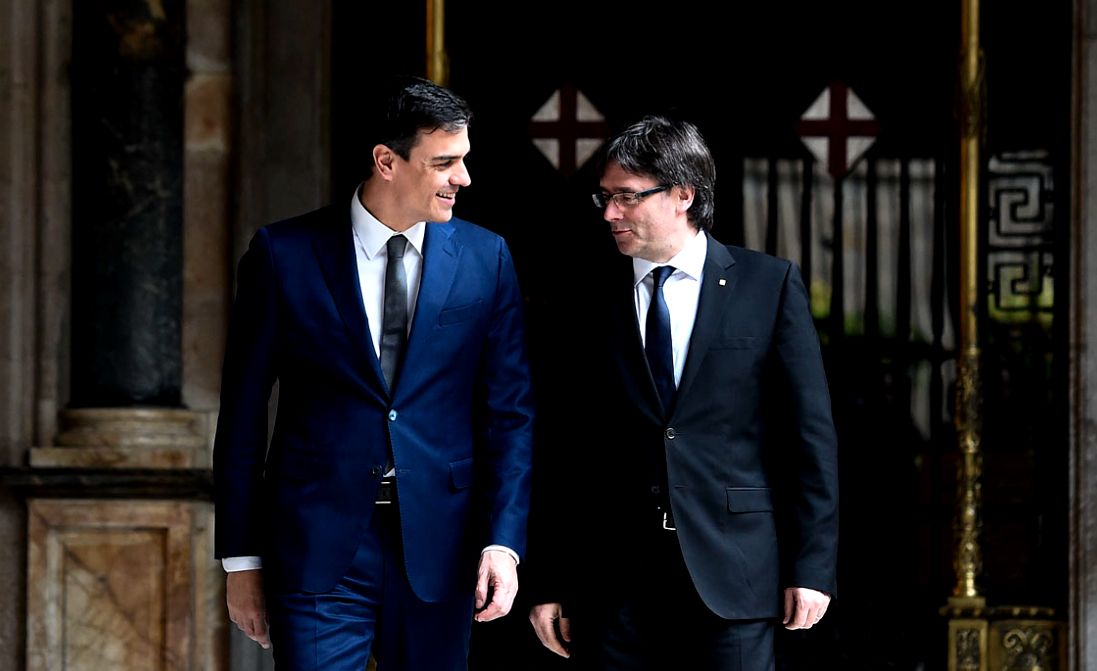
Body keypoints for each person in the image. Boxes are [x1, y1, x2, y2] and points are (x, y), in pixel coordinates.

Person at [213, 75, 534, 671]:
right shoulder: (283, 255)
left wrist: (503, 541)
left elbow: (509, 414)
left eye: (464, 160)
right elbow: (242, 412)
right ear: (387, 161)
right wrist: (240, 559)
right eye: (445, 163)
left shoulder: (487, 258)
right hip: (317, 545)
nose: (463, 178)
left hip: (443, 542)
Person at [526, 116, 838, 670]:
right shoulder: (584, 297)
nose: (609, 213)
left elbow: (808, 439)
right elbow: (560, 446)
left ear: (682, 195)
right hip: (611, 584)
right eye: (605, 196)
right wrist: (551, 579)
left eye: (625, 197)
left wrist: (811, 569)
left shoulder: (768, 285)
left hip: (735, 575)